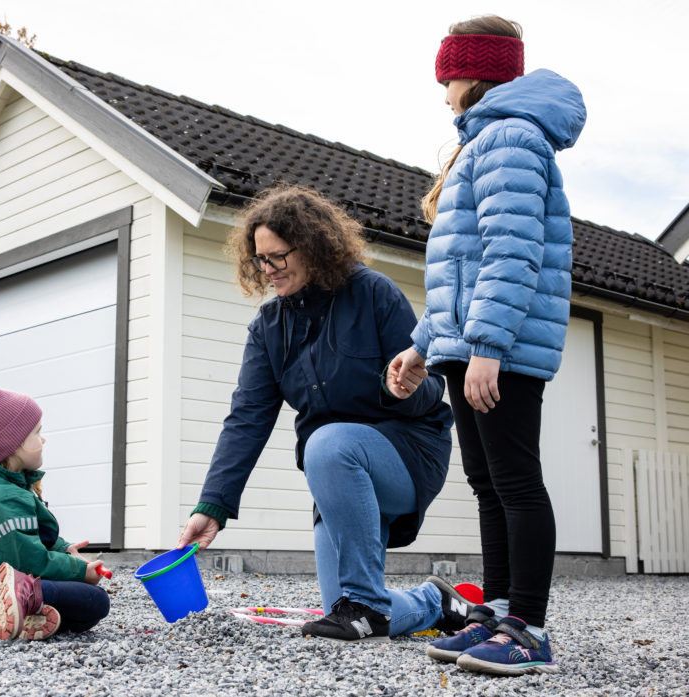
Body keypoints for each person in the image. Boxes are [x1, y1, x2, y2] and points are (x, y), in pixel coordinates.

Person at [176, 183, 473, 643]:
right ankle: (436, 601)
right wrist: (212, 506)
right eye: (260, 259)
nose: (267, 269)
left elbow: (430, 386)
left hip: (408, 454)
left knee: (329, 442)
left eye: (278, 256)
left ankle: (367, 603)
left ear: (313, 247)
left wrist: (400, 388)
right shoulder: (268, 328)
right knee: (347, 607)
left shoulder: (373, 293)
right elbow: (246, 417)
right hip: (337, 477)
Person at [389, 14, 586, 676]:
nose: (442, 90)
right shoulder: (482, 143)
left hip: (499, 345)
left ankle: (528, 626)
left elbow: (512, 251)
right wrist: (422, 347)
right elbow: (457, 274)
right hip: (469, 342)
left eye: (446, 76)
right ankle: (500, 608)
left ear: (471, 73)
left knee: (515, 480)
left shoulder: (510, 140)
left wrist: (490, 344)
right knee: (488, 484)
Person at [0, 377, 111, 640]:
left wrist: (64, 549)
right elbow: (29, 561)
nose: (43, 439)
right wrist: (79, 571)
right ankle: (5, 611)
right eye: (36, 432)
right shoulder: (0, 497)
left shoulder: (4, 482)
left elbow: (33, 537)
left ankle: (24, 616)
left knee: (84, 601)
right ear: (12, 443)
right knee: (95, 601)